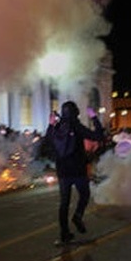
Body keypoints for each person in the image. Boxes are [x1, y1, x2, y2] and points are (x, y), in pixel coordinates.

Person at [45, 101, 105, 244]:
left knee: (64, 203)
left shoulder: (57, 127)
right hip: (77, 169)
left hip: (62, 171)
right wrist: (94, 117)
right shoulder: (76, 126)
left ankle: (64, 234)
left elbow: (47, 141)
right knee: (84, 194)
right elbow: (98, 136)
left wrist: (51, 124)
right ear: (76, 112)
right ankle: (77, 216)